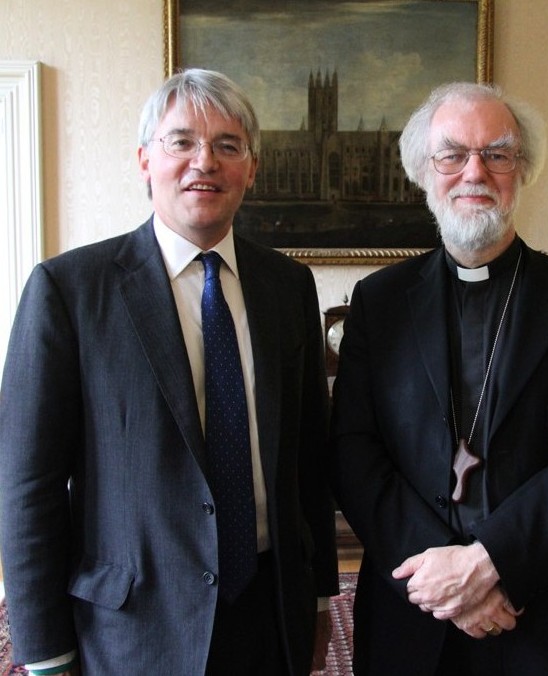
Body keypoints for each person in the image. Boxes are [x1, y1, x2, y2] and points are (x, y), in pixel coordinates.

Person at [0, 68, 338, 676]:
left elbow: (307, 459)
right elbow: (27, 485)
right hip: (133, 627)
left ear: (251, 169)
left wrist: (316, 599)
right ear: (144, 159)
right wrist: (44, 652)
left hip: (268, 613)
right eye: (181, 141)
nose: (203, 161)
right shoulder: (69, 290)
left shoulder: (289, 287)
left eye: (227, 146)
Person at [330, 81, 548, 676]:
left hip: (545, 618)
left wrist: (492, 562)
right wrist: (438, 577)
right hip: (411, 611)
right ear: (424, 171)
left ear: (522, 170)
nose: (474, 171)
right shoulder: (379, 303)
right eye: (453, 154)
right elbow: (353, 450)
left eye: (496, 154)